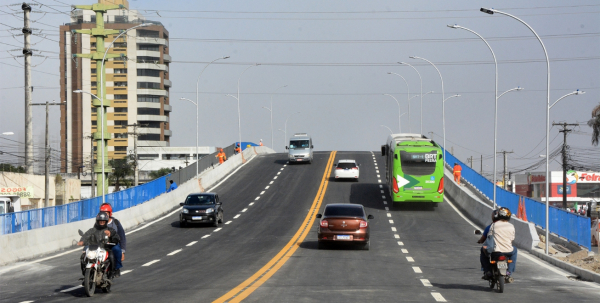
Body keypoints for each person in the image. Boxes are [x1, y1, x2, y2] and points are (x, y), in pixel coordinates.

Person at [78, 212, 120, 278]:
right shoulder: (92, 230)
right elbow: (86, 235)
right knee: (83, 256)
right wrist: (82, 241)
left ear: (106, 222)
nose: (102, 222)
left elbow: (116, 236)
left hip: (105, 249)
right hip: (93, 249)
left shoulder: (109, 230)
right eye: (100, 221)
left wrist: (112, 237)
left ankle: (111, 272)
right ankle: (84, 272)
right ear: (97, 221)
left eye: (103, 221)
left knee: (111, 255)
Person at [481, 207, 517, 280]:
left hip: (495, 251)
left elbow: (489, 236)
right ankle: (509, 271)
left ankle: (487, 271)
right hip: (508, 251)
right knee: (515, 250)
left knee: (483, 250)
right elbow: (512, 238)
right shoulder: (511, 226)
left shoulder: (494, 225)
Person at [100, 203, 126, 277]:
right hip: (102, 245)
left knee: (117, 250)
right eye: (103, 213)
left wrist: (123, 251)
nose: (104, 215)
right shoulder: (99, 223)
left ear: (110, 213)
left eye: (106, 213)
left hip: (113, 244)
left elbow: (122, 236)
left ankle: (117, 268)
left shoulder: (115, 222)